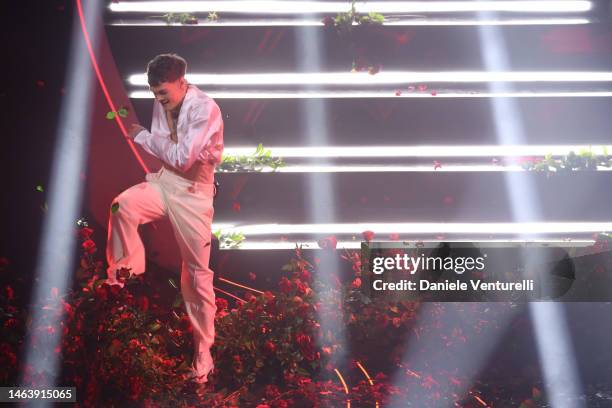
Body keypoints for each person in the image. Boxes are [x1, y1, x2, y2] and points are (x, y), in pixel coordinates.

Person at [105, 53, 224, 384]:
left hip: (193, 193)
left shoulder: (205, 109)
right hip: (164, 181)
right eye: (155, 94)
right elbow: (167, 152)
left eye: (164, 94)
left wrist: (142, 136)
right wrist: (153, 140)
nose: (159, 100)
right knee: (122, 206)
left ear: (183, 83)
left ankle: (204, 351)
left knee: (196, 277)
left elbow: (183, 158)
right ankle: (124, 274)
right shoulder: (164, 99)